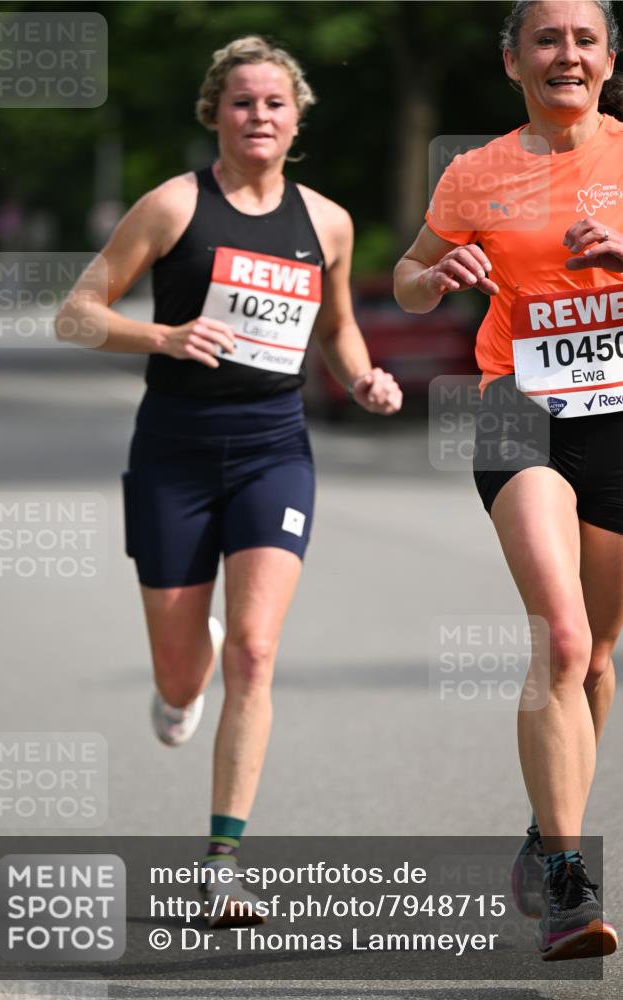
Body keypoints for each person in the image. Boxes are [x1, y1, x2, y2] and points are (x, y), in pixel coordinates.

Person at [57, 36, 401, 926]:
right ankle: (181, 680)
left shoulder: (326, 222)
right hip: (173, 453)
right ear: (215, 112)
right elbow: (76, 315)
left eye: (274, 103)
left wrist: (362, 376)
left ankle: (222, 862)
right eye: (242, 102)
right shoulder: (174, 205)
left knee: (253, 651)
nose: (259, 116)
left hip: (272, 451)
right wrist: (163, 337)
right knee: (183, 678)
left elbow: (336, 328)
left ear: (297, 118)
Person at [394, 0, 622, 963]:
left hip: (619, 414)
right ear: (511, 61)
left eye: (583, 39)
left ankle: (541, 829)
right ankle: (569, 881)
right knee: (560, 636)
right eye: (545, 39)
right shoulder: (475, 172)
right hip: (518, 406)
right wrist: (436, 273)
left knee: (598, 657)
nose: (565, 54)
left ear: (607, 59)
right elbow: (408, 277)